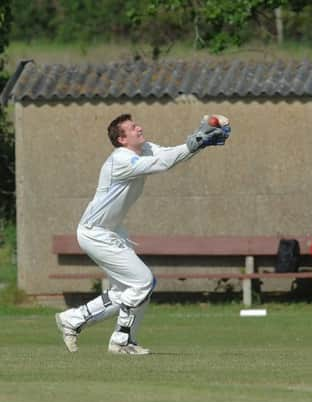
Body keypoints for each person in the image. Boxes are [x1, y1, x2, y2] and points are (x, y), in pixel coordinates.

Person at [55, 113, 230, 355]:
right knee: (143, 282)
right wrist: (199, 139)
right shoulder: (121, 160)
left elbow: (169, 155)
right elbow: (164, 164)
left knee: (126, 291)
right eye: (132, 128)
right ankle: (121, 341)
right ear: (121, 139)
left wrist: (200, 141)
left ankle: (73, 319)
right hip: (95, 233)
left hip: (110, 231)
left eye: (137, 125)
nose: (140, 128)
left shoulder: (144, 148)